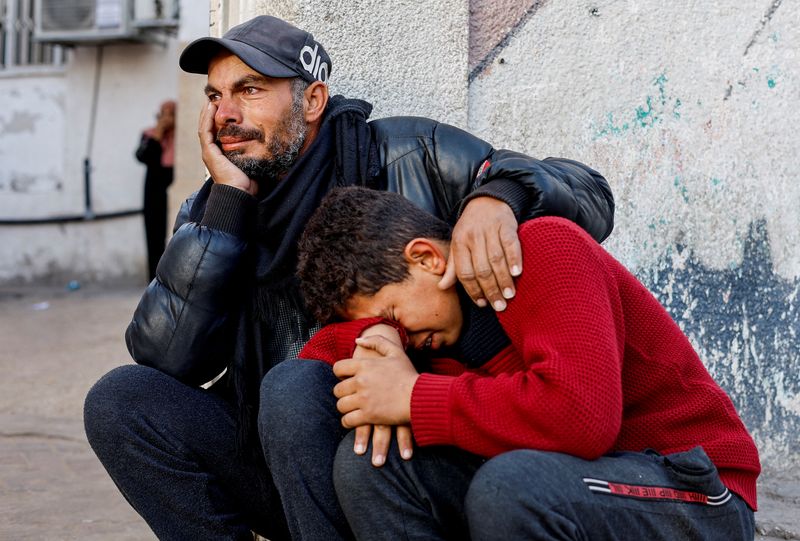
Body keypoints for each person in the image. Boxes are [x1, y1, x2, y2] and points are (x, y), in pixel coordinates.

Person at [83, 15, 615, 541]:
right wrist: (226, 209)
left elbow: (591, 194)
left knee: (293, 387)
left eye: (249, 90)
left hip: (399, 452)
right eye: (215, 95)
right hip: (271, 446)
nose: (225, 113)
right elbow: (168, 358)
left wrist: (500, 196)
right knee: (120, 401)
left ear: (312, 101)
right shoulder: (215, 208)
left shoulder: (408, 156)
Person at [294, 186, 761, 540]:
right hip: (569, 485)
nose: (402, 336)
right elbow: (309, 365)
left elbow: (581, 419)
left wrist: (413, 397)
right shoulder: (428, 324)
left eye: (394, 316)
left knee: (511, 486)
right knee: (372, 466)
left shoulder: (542, 249)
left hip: (692, 489)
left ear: (427, 258)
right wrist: (378, 336)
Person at [136, 100, 176, 281]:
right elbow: (143, 156)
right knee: (154, 238)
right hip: (154, 195)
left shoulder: (183, 138)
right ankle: (155, 280)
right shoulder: (150, 135)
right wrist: (160, 131)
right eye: (163, 114)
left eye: (171, 114)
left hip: (175, 192)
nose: (167, 118)